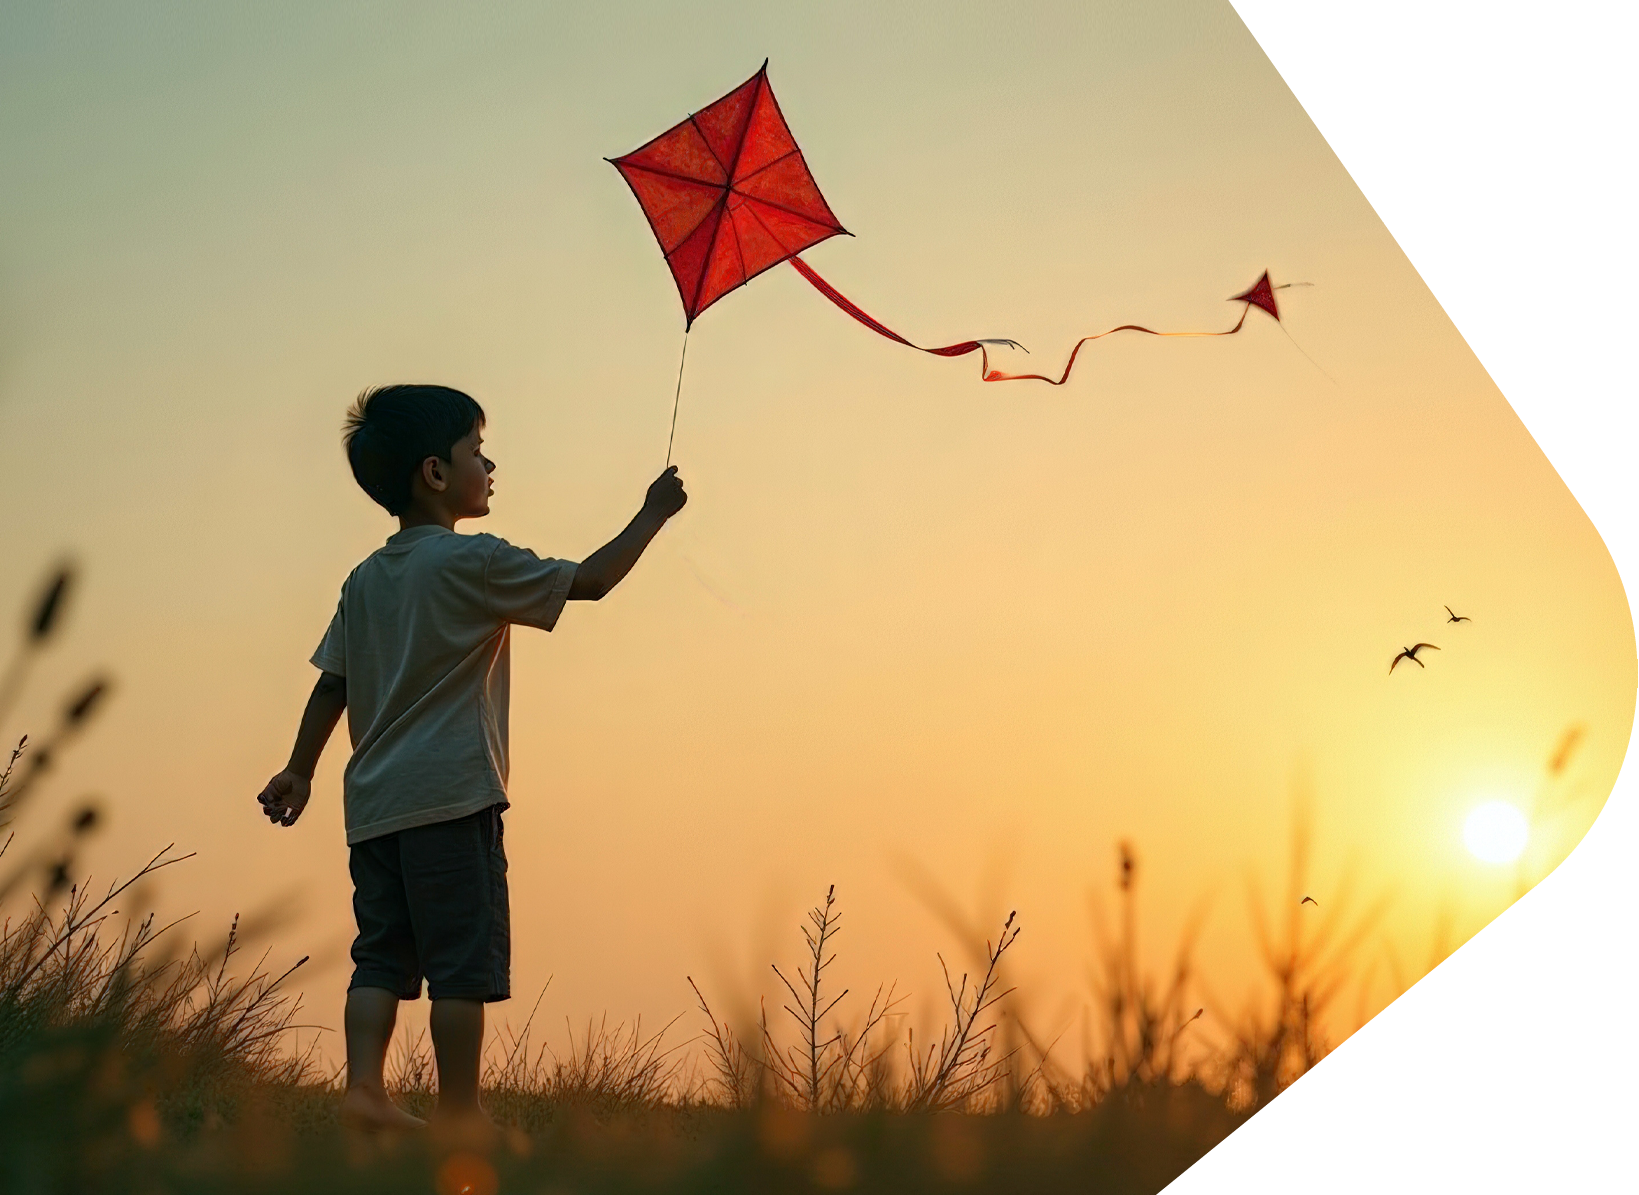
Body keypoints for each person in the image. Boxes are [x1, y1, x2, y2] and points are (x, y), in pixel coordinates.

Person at [255, 384, 686, 1141]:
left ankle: (364, 1090)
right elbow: (588, 582)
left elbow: (333, 684)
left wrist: (300, 769)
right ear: (435, 472)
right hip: (452, 796)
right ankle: (459, 1112)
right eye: (477, 452)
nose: (489, 466)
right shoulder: (474, 561)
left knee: (380, 955)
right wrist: (653, 512)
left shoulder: (364, 578)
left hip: (374, 807)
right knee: (461, 965)